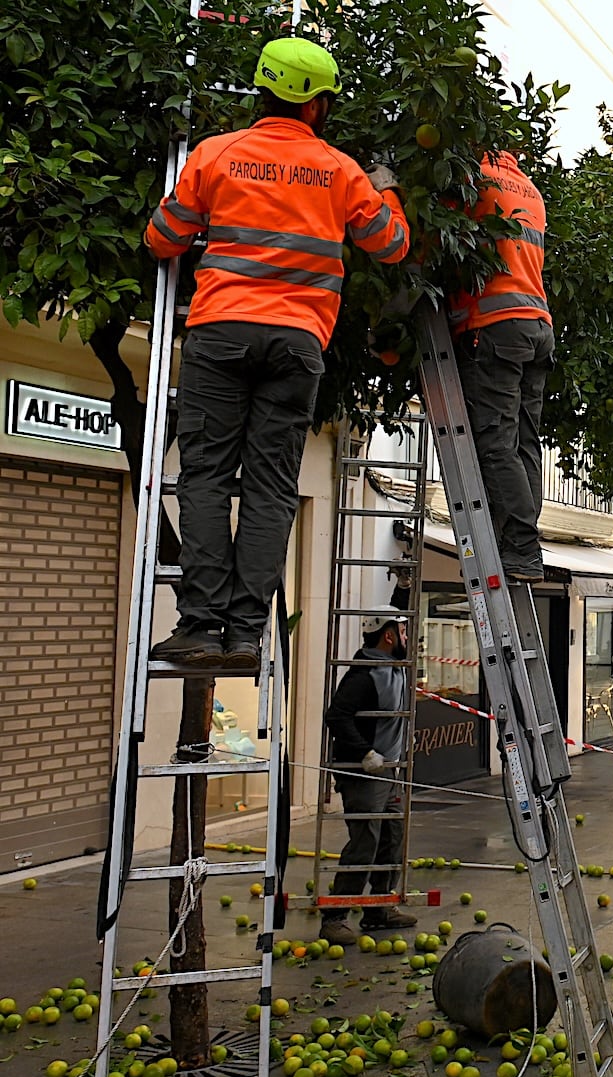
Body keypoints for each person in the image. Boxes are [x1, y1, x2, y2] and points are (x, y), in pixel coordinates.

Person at [145, 37, 411, 671]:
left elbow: (162, 241)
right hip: (298, 344)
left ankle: (201, 626)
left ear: (263, 90)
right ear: (317, 105)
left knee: (206, 477)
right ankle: (244, 636)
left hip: (221, 332)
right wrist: (389, 189)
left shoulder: (217, 154)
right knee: (271, 489)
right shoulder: (340, 170)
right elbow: (392, 245)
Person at [451, 149, 553, 582]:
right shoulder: (529, 189)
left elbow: (445, 240)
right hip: (538, 323)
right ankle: (524, 546)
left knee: (496, 439)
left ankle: (521, 547)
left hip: (499, 323)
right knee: (525, 441)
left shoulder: (472, 180)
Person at [319, 607, 418, 945]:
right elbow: (337, 716)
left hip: (390, 772)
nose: (408, 638)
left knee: (392, 837)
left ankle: (378, 907)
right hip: (364, 775)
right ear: (388, 636)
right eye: (403, 633)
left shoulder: (396, 669)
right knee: (365, 843)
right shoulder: (364, 674)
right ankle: (335, 917)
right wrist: (365, 752)